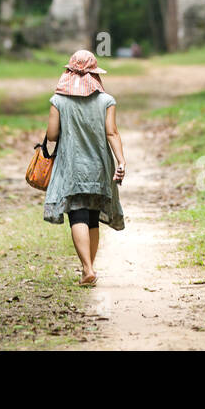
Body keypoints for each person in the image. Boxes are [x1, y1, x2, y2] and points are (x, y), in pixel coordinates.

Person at [42, 49, 126, 286]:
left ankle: (87, 268)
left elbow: (51, 134)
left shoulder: (58, 100)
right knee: (91, 217)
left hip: (72, 167)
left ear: (69, 72)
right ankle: (89, 268)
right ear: (94, 74)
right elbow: (112, 133)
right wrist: (121, 161)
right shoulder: (106, 101)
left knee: (77, 213)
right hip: (99, 167)